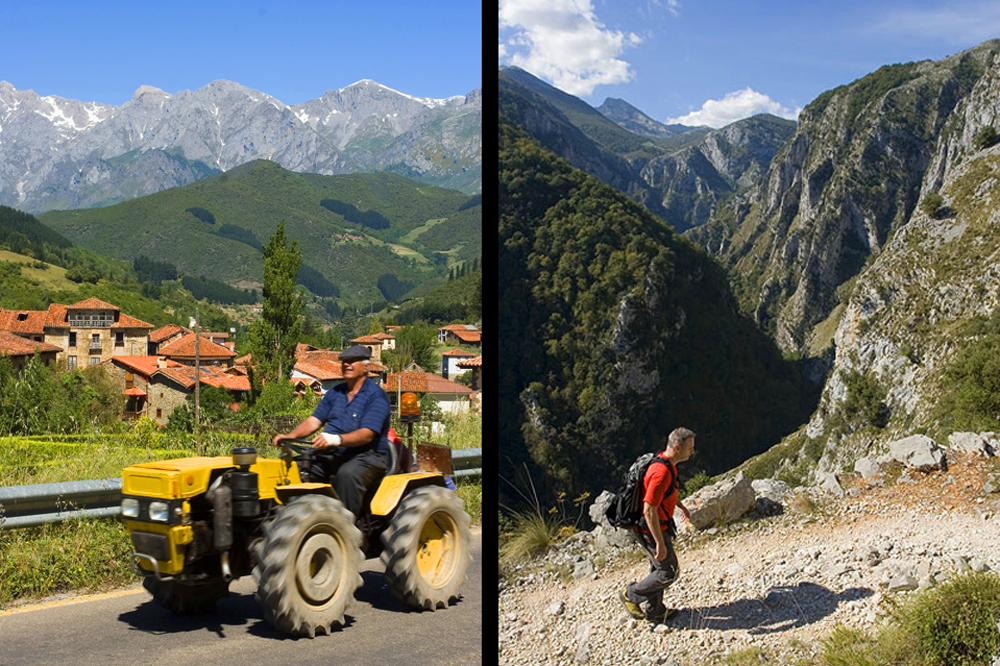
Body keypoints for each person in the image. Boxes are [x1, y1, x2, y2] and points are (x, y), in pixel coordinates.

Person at [272, 344, 391, 518]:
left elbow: (367, 434)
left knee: (347, 475)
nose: (346, 365)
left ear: (365, 367)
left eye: (352, 361)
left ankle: (346, 527)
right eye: (344, 361)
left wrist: (336, 439)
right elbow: (314, 421)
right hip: (334, 453)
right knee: (293, 467)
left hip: (368, 456)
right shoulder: (335, 393)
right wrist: (290, 436)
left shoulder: (375, 396)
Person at [619, 427, 696, 624]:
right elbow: (649, 509)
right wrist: (659, 542)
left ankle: (655, 611)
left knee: (658, 567)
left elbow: (666, 493)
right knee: (668, 571)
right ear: (678, 447)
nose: (692, 452)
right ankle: (630, 594)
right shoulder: (661, 472)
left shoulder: (666, 462)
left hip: (656, 524)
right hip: (650, 527)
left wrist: (680, 506)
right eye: (690, 448)